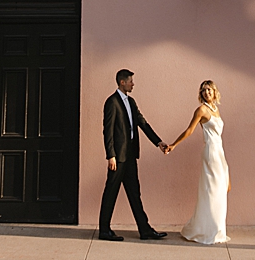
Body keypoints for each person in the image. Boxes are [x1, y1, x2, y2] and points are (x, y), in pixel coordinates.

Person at [98, 68, 169, 242]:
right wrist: (110, 155)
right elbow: (107, 131)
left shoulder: (131, 102)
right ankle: (104, 230)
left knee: (134, 193)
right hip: (118, 157)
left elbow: (142, 123)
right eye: (130, 81)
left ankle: (145, 230)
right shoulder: (112, 102)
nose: (133, 84)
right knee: (111, 192)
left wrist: (158, 142)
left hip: (130, 156)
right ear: (122, 82)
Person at [167, 80, 230, 245]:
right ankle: (208, 231)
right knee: (213, 191)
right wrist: (174, 145)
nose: (206, 93)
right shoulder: (201, 110)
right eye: (203, 91)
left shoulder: (216, 109)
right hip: (211, 152)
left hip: (219, 151)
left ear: (214, 91)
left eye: (209, 90)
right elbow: (189, 130)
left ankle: (217, 229)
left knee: (221, 190)